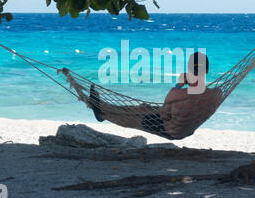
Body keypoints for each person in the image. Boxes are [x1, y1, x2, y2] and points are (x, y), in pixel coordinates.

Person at [66, 52, 222, 140]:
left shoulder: (179, 93)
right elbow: (196, 94)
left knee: (137, 117)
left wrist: (180, 83)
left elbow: (167, 104)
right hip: (187, 128)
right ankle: (102, 107)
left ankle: (103, 112)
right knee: (144, 107)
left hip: (171, 130)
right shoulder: (216, 93)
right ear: (206, 71)